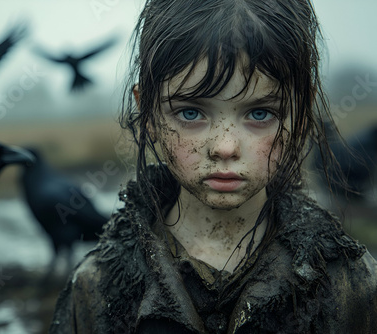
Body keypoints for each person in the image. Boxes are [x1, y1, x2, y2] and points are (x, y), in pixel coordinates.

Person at [49, 0, 377, 333]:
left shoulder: (352, 286)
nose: (224, 147)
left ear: (302, 115)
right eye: (191, 113)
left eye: (260, 113)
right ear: (147, 113)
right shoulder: (96, 288)